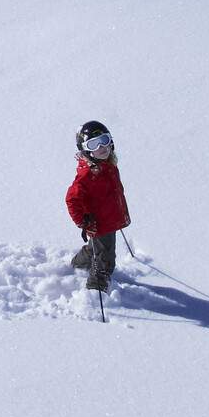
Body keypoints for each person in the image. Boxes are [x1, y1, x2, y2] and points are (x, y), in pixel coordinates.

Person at [65, 121, 131, 291]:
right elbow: (72, 200)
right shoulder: (87, 175)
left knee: (96, 247)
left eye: (104, 140)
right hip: (100, 223)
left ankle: (78, 264)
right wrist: (83, 221)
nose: (102, 146)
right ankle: (96, 287)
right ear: (86, 150)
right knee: (105, 259)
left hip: (110, 216)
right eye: (94, 144)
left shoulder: (108, 164)